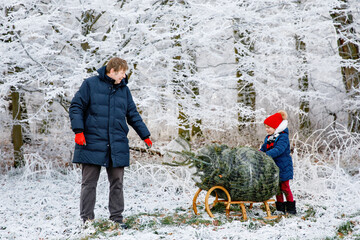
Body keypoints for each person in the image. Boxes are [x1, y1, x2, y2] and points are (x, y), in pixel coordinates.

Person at [69, 57, 152, 227]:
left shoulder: (124, 90)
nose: (124, 76)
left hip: (117, 143)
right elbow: (76, 107)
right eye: (122, 73)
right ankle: (87, 220)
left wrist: (145, 135)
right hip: (91, 142)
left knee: (117, 183)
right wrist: (78, 131)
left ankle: (116, 219)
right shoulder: (90, 85)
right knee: (89, 183)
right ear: (112, 71)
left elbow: (133, 114)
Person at [260, 110, 296, 214]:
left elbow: (279, 149)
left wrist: (267, 155)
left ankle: (290, 208)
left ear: (276, 127)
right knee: (277, 188)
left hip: (283, 166)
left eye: (269, 127)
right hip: (274, 167)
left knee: (285, 187)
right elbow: (263, 148)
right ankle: (280, 208)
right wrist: (259, 153)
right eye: (266, 127)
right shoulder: (268, 138)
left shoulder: (283, 137)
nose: (267, 130)